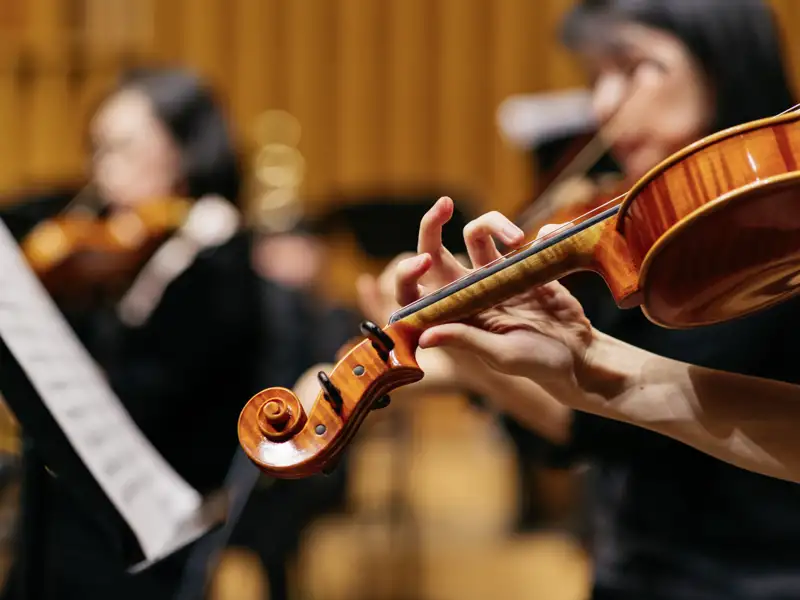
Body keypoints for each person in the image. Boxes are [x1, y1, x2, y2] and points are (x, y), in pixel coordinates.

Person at [349, 2, 800, 599]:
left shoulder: (775, 221)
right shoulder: (649, 225)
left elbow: (611, 430)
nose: (604, 106)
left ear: (726, 63)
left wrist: (476, 363)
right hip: (636, 562)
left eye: (634, 68)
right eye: (594, 79)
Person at [0, 68, 264, 600]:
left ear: (182, 151)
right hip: (98, 514)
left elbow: (146, 398)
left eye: (120, 147)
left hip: (156, 533)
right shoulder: (133, 251)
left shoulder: (217, 260)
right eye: (95, 148)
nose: (100, 168)